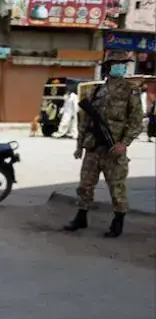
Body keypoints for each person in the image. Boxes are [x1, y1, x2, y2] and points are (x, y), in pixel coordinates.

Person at [64, 51, 143, 238]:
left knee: (117, 188)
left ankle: (118, 221)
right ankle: (81, 217)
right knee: (85, 185)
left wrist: (124, 143)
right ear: (108, 67)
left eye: (123, 64)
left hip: (113, 148)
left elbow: (136, 122)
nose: (121, 66)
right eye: (117, 63)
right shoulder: (96, 91)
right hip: (93, 147)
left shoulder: (130, 91)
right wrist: (79, 145)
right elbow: (85, 121)